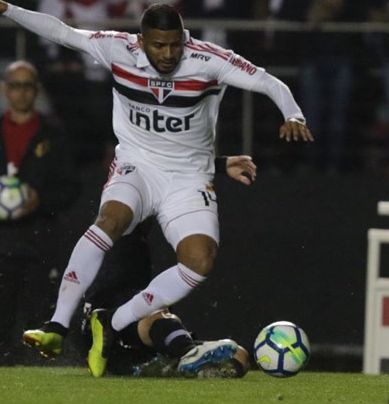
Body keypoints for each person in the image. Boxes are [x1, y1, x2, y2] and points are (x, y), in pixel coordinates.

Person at [0, 0, 313, 378]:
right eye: (159, 46)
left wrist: (294, 115)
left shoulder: (207, 60)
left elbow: (267, 81)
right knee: (110, 221)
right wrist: (6, 8)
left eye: (175, 45)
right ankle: (56, 326)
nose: (168, 54)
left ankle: (113, 323)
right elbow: (61, 31)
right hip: (137, 165)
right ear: (142, 42)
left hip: (188, 177)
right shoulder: (118, 49)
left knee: (200, 261)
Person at [81, 155, 258, 378]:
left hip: (136, 341)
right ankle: (186, 353)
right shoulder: (116, 228)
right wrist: (219, 165)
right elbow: (160, 165)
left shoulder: (135, 239)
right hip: (105, 338)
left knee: (239, 355)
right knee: (156, 312)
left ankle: (174, 362)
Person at [0, 60, 78, 364]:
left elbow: (71, 187)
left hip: (40, 240)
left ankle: (42, 379)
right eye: (16, 85)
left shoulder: (53, 135)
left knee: (39, 315)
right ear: (5, 89)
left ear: (36, 90)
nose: (21, 92)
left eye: (28, 86)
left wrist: (42, 201)